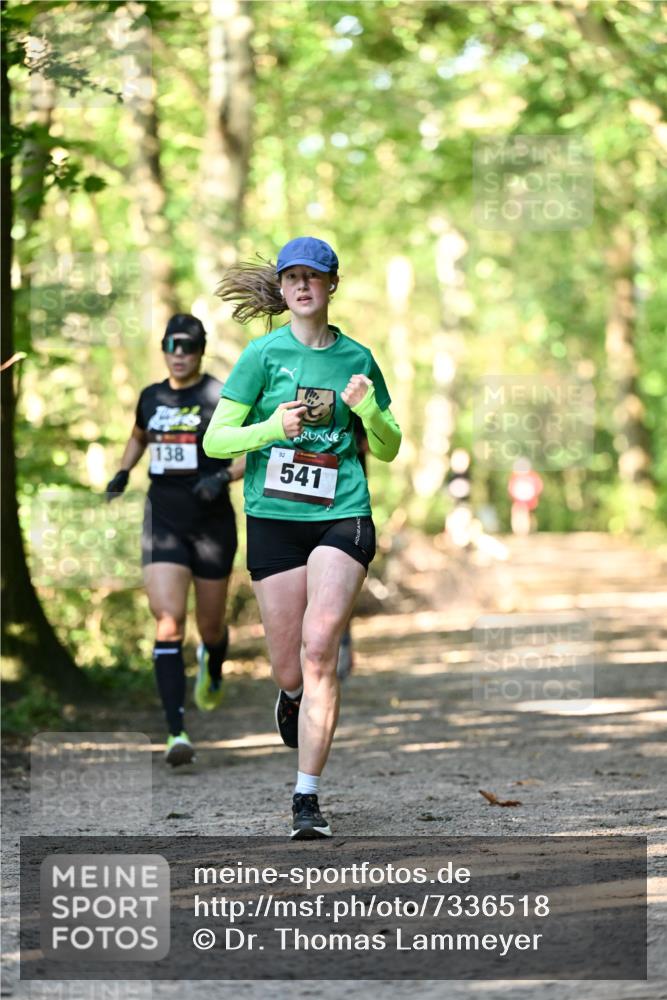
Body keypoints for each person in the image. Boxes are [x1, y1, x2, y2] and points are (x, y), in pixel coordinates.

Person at [204, 236, 401, 838]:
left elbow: (390, 447)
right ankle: (290, 698)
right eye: (291, 278)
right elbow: (215, 441)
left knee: (321, 649)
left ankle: (306, 797)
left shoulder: (359, 358)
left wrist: (367, 412)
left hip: (343, 511)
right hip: (274, 518)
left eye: (313, 277)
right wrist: (270, 427)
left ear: (331, 285)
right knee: (290, 668)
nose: (302, 286)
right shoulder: (261, 356)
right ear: (284, 289)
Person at [105, 314, 243, 766]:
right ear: (163, 349)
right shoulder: (151, 396)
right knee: (168, 620)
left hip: (211, 525)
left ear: (201, 350)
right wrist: (123, 471)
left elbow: (252, 451)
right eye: (172, 346)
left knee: (210, 627)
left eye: (188, 347)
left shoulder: (219, 394)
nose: (179, 354)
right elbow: (139, 436)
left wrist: (221, 476)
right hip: (163, 518)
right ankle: (175, 731)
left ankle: (214, 662)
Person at [508, 457, 543, 536]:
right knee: (518, 514)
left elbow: (538, 486)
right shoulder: (515, 477)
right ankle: (519, 531)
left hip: (529, 501)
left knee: (526, 515)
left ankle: (525, 530)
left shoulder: (532, 476)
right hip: (518, 501)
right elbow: (511, 487)